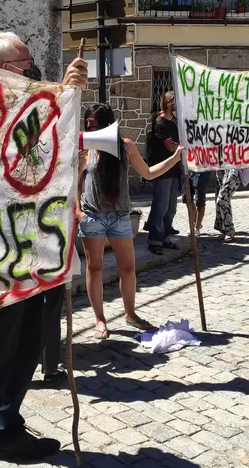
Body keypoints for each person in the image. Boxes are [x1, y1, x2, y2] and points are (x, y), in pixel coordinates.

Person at [0, 32, 87, 468]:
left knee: (26, 350)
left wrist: (69, 100)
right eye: (29, 66)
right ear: (4, 71)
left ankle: (7, 429)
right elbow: (9, 159)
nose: (36, 73)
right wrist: (62, 97)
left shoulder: (25, 109)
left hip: (31, 256)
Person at [78, 104, 184, 339]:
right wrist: (78, 210)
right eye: (87, 124)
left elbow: (147, 173)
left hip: (120, 217)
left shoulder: (125, 146)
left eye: (94, 124)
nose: (89, 128)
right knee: (94, 268)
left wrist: (175, 158)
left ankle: (130, 314)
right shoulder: (87, 150)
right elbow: (74, 181)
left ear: (106, 124)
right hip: (93, 216)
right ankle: (99, 319)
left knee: (128, 269)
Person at [145, 91, 182, 255]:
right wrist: (179, 147)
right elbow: (170, 146)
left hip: (174, 169)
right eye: (174, 102)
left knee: (170, 207)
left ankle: (164, 237)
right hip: (162, 170)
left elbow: (177, 144)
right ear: (168, 103)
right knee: (160, 206)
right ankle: (154, 240)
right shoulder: (160, 122)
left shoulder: (174, 122)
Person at [213, 169, 242, 242]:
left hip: (233, 168)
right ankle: (225, 228)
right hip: (220, 167)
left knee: (222, 199)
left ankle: (229, 229)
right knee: (224, 199)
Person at [185, 171, 211, 238]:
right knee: (186, 198)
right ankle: (194, 224)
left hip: (201, 170)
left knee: (199, 200)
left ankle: (197, 227)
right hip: (187, 170)